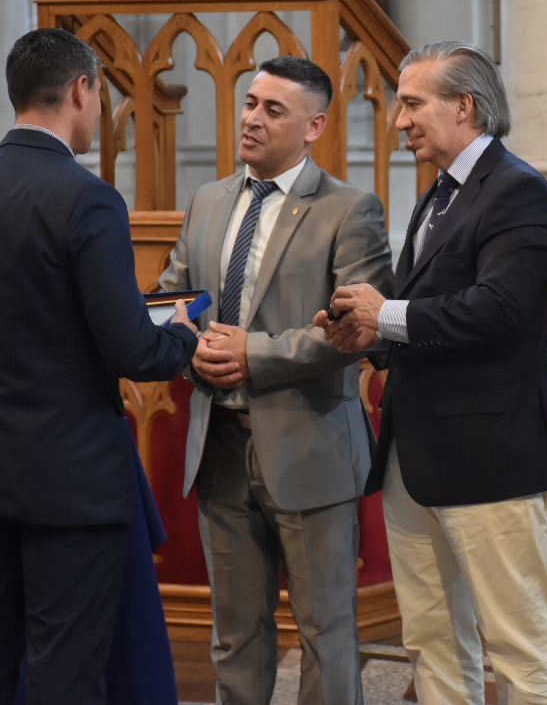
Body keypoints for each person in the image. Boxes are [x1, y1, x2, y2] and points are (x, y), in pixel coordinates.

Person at [0, 27, 198, 705]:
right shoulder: (88, 198)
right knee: (64, 662)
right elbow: (133, 347)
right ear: (80, 90)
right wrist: (183, 335)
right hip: (71, 481)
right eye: (97, 97)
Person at [317, 41, 547, 704]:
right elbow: (425, 317)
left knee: (520, 643)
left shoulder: (519, 191)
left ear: (465, 106)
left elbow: (500, 308)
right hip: (415, 456)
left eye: (412, 102)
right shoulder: (438, 196)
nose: (399, 119)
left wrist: (389, 313)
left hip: (490, 457)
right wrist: (368, 333)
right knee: (431, 639)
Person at [158, 56, 393, 705]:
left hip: (310, 444)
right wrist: (190, 349)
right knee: (235, 633)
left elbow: (355, 326)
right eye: (250, 102)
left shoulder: (350, 208)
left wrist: (252, 352)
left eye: (273, 109)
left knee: (326, 632)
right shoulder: (208, 200)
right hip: (221, 446)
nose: (252, 118)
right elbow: (173, 298)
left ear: (314, 124)